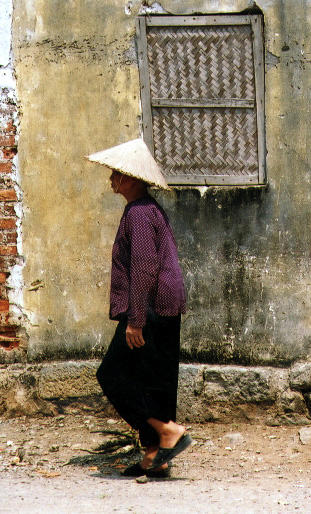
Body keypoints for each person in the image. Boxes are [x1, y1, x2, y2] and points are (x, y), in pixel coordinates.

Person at [88, 139, 191, 478]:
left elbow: (144, 267)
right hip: (159, 305)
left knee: (112, 375)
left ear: (131, 178)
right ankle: (154, 455)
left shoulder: (140, 213)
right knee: (153, 380)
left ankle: (166, 431)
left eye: (116, 174)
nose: (111, 180)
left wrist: (135, 321)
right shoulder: (143, 209)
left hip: (150, 308)